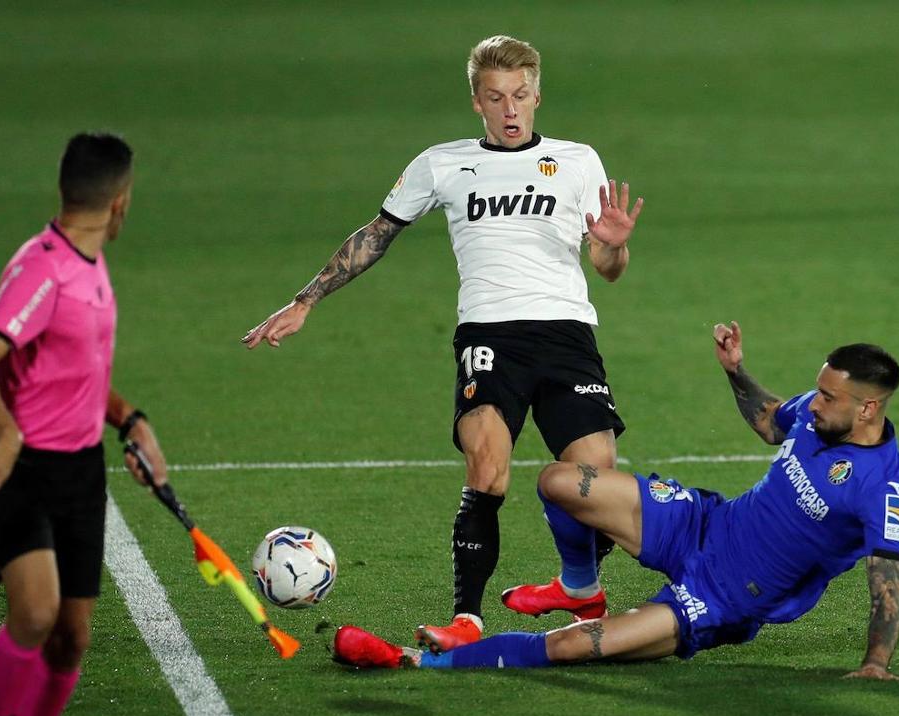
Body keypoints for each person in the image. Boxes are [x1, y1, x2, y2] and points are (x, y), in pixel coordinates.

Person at [241, 34, 644, 651]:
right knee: (487, 464)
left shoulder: (578, 161)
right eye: (495, 97)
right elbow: (377, 233)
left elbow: (606, 268)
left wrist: (613, 244)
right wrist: (306, 299)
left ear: (537, 95)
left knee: (595, 475)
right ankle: (466, 620)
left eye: (520, 96)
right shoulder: (443, 163)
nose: (510, 109)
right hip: (487, 335)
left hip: (566, 333)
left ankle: (579, 587)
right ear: (476, 102)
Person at [333, 322, 899, 680]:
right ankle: (579, 587)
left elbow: (886, 580)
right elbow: (768, 419)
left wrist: (875, 663)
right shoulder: (818, 415)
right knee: (560, 481)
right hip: (703, 524)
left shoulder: (881, 486)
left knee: (567, 648)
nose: (814, 404)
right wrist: (737, 372)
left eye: (829, 398)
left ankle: (412, 661)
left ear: (867, 409)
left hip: (721, 599)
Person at [0, 132, 169, 716]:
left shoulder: (88, 260)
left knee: (71, 640)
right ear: (121, 201)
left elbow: (75, 372)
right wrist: (8, 435)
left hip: (79, 472)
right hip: (20, 468)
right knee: (37, 611)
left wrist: (129, 419)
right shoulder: (44, 269)